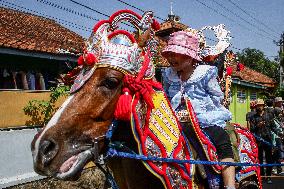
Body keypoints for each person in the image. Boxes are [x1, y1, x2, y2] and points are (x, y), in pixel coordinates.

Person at [162, 31, 235, 189]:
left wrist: (203, 111)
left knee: (222, 138)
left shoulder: (204, 73)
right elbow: (165, 96)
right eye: (169, 53)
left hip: (203, 119)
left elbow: (216, 96)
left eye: (176, 53)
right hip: (173, 120)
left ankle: (230, 185)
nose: (171, 58)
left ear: (189, 57)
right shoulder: (168, 75)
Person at [250, 99, 274, 184]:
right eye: (257, 105)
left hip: (268, 139)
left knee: (269, 158)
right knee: (259, 158)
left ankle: (268, 176)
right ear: (256, 107)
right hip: (258, 140)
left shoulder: (269, 115)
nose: (259, 107)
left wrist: (279, 135)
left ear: (263, 106)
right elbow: (251, 130)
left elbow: (273, 127)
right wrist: (257, 125)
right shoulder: (253, 117)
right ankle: (262, 175)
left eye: (260, 105)